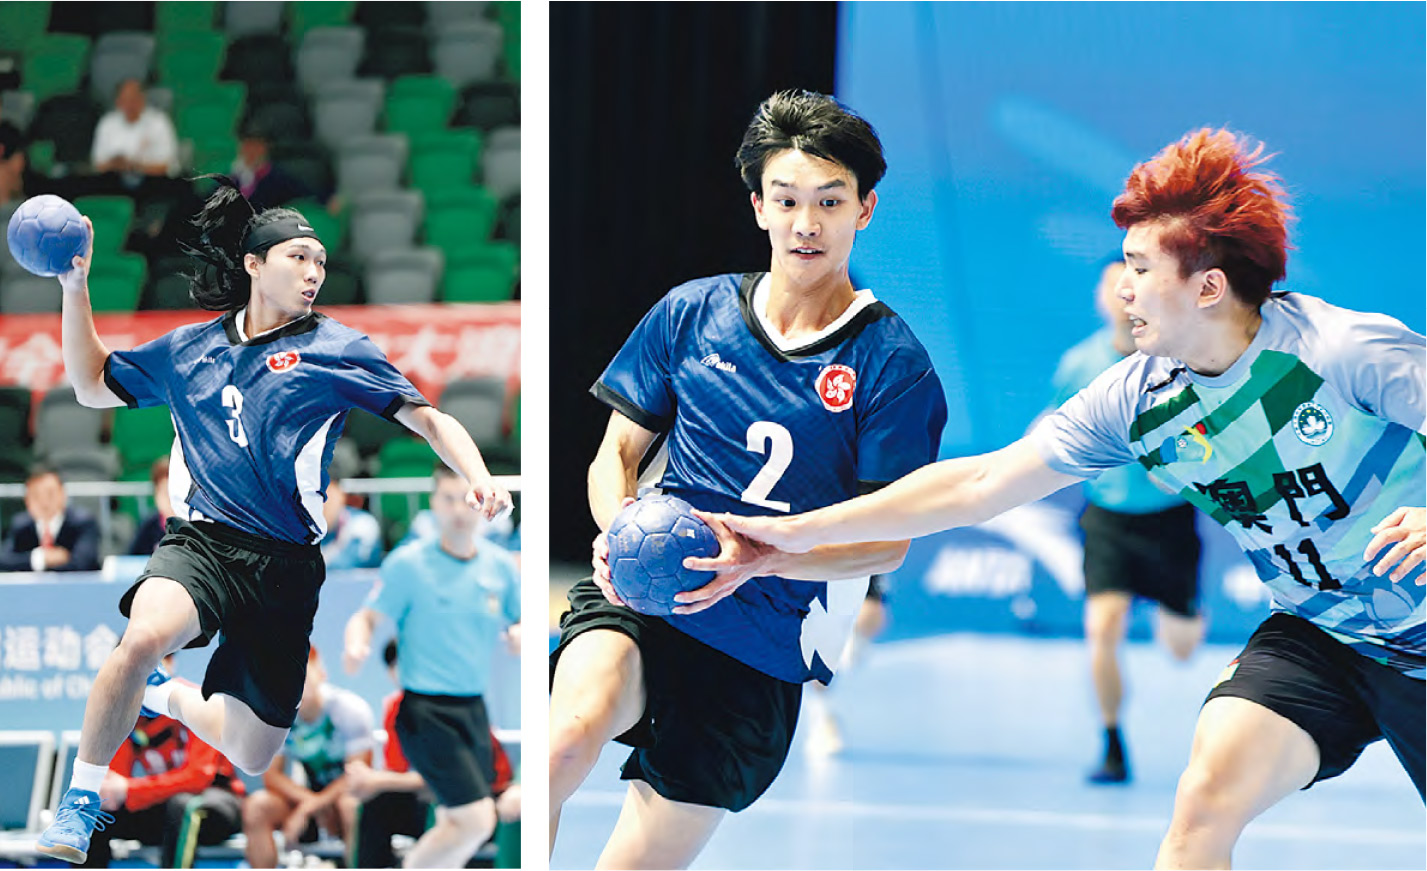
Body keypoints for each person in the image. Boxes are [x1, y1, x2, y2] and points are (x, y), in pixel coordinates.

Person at [712, 128, 1425, 869]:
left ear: (1208, 287)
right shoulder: (1138, 397)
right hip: (1323, 637)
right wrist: (795, 534)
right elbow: (979, 483)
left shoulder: (1339, 350)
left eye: (1139, 268)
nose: (1123, 289)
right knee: (1206, 797)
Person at [36, 176, 511, 864]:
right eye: (299, 257)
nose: (314, 272)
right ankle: (79, 803)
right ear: (255, 264)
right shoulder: (187, 350)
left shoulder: (337, 348)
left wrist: (478, 474)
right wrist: (74, 285)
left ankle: (166, 696)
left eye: (321, 261)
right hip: (202, 543)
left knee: (252, 750)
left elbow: (428, 418)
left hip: (285, 566)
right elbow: (89, 384)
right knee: (141, 637)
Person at [548, 89, 948, 869]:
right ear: (758, 205)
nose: (806, 223)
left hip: (760, 645)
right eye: (787, 199)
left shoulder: (892, 364)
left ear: (863, 209)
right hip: (646, 595)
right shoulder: (689, 313)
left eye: (829, 201)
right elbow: (615, 455)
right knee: (561, 743)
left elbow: (887, 542)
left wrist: (761, 559)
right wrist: (617, 525)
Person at [1049, 258, 1205, 783]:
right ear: (1101, 296)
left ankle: (1182, 608)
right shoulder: (1078, 364)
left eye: (1134, 280)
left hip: (1169, 518)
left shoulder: (1178, 360)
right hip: (1108, 519)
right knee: (1102, 627)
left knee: (1181, 647)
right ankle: (1112, 744)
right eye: (1113, 283)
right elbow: (1057, 429)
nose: (1123, 292)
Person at [344, 462, 521, 868]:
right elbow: (366, 617)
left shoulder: (499, 567)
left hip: (474, 711)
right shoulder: (408, 565)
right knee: (476, 818)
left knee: (454, 821)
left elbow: (520, 619)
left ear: (482, 505)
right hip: (425, 711)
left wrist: (519, 633)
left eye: (467, 500)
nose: (458, 509)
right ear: (434, 503)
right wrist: (357, 644)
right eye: (448, 499)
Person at [344, 639, 520, 868]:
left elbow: (456, 778)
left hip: (485, 800)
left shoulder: (456, 704)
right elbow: (399, 772)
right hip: (434, 799)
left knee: (443, 805)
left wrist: (377, 780)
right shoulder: (397, 710)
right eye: (397, 664)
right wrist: (373, 782)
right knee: (376, 802)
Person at [82, 654, 245, 869]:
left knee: (184, 806)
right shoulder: (126, 714)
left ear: (169, 663)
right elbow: (116, 784)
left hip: (216, 803)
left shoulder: (197, 702)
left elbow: (197, 779)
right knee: (95, 816)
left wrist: (129, 790)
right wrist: (108, 793)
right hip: (164, 808)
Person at [241, 646, 373, 869]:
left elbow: (359, 774)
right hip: (306, 800)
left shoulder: (350, 709)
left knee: (350, 805)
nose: (297, 680)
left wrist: (311, 806)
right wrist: (310, 803)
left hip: (343, 799)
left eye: (303, 672)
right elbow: (271, 776)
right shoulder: (276, 716)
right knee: (257, 806)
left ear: (321, 673)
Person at [0, 464, 101, 572]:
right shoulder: (21, 525)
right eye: (36, 495)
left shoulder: (83, 523)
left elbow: (83, 563)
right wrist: (40, 558)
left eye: (50, 494)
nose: (44, 502)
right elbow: (4, 560)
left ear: (63, 494)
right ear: (27, 499)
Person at [90, 79, 178, 178]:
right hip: (113, 180)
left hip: (153, 181)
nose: (130, 105)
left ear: (143, 99)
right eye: (125, 100)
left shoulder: (159, 122)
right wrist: (116, 163)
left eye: (134, 99)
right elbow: (98, 164)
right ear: (118, 102)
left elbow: (166, 166)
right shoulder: (107, 123)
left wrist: (133, 166)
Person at [320, 478, 384, 570]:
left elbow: (349, 563)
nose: (323, 504)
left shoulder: (363, 523)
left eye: (326, 496)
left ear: (340, 495)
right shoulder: (305, 526)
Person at [128, 457, 175, 556]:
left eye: (175, 495)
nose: (170, 501)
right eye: (165, 494)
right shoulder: (148, 527)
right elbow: (132, 559)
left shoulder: (195, 527)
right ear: (156, 494)